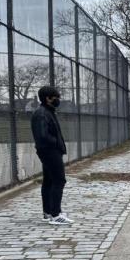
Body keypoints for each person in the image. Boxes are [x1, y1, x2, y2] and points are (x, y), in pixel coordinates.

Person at [31, 86, 74, 225]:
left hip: (51, 151)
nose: (58, 99)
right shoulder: (41, 114)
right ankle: (56, 214)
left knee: (49, 181)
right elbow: (42, 136)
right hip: (49, 151)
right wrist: (56, 143)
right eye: (56, 97)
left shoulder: (47, 112)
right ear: (48, 98)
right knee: (59, 180)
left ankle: (48, 212)